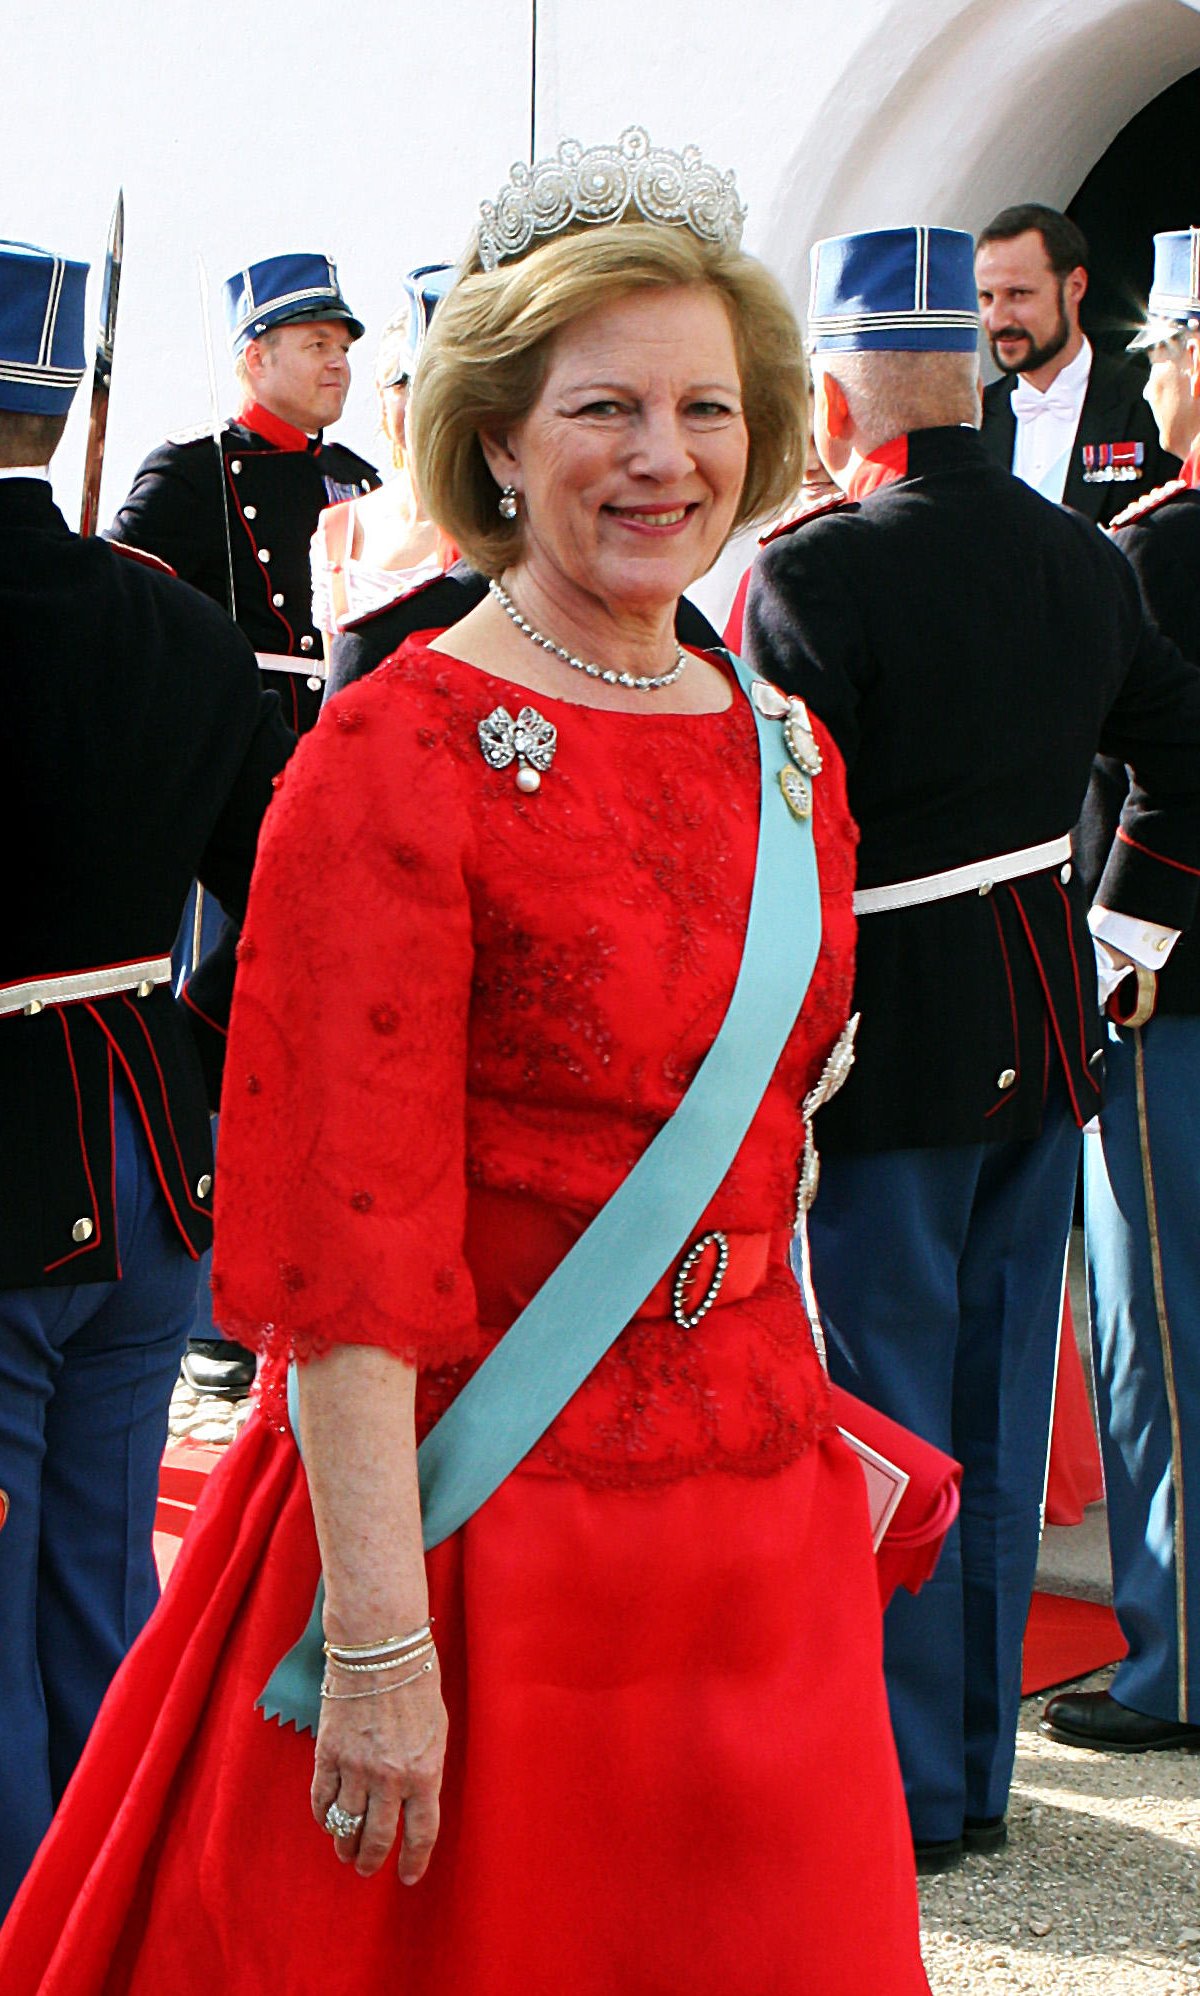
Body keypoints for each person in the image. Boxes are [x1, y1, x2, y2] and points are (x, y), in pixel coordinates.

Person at [0, 132, 931, 1995]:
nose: (661, 456)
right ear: (499, 440)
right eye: (602, 408)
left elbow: (775, 1149)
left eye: (701, 406)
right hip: (467, 1538)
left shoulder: (797, 760)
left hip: (754, 1542)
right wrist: (378, 1646)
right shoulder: (394, 751)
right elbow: (348, 1253)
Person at [742, 223, 1200, 1873]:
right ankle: (975, 1775)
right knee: (998, 1416)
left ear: (848, 379)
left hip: (886, 1052)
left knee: (878, 1414)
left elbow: (772, 846)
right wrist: (1122, 934)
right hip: (1041, 1018)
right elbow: (1182, 756)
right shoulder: (1084, 556)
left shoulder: (811, 567)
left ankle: (900, 1781)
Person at [0, 239, 293, 1921]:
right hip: (141, 1160)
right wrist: (183, 1044)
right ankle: (111, 1920)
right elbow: (297, 899)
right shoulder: (175, 628)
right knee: (101, 1589)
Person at [108, 251, 379, 1399]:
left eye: (344, 346)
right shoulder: (187, 473)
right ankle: (215, 1281)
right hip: (232, 776)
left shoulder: (364, 480)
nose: (337, 364)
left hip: (343, 771)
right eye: (314, 343)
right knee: (223, 1017)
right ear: (253, 355)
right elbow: (125, 619)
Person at [1042, 227, 1200, 1755]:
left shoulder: (1158, 542)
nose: (1152, 381)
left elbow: (1168, 773)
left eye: (1164, 356)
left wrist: (1127, 942)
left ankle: (1181, 1665)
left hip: (1179, 986)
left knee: (1159, 1321)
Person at [976, 203, 1177, 524]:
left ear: (1075, 286)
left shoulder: (1149, 408)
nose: (997, 319)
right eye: (987, 297)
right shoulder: (970, 422)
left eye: (1018, 294)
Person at [311, 265, 456, 645]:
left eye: (436, 384)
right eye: (403, 383)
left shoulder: (500, 519)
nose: (419, 401)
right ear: (380, 396)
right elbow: (335, 687)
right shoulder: (338, 531)